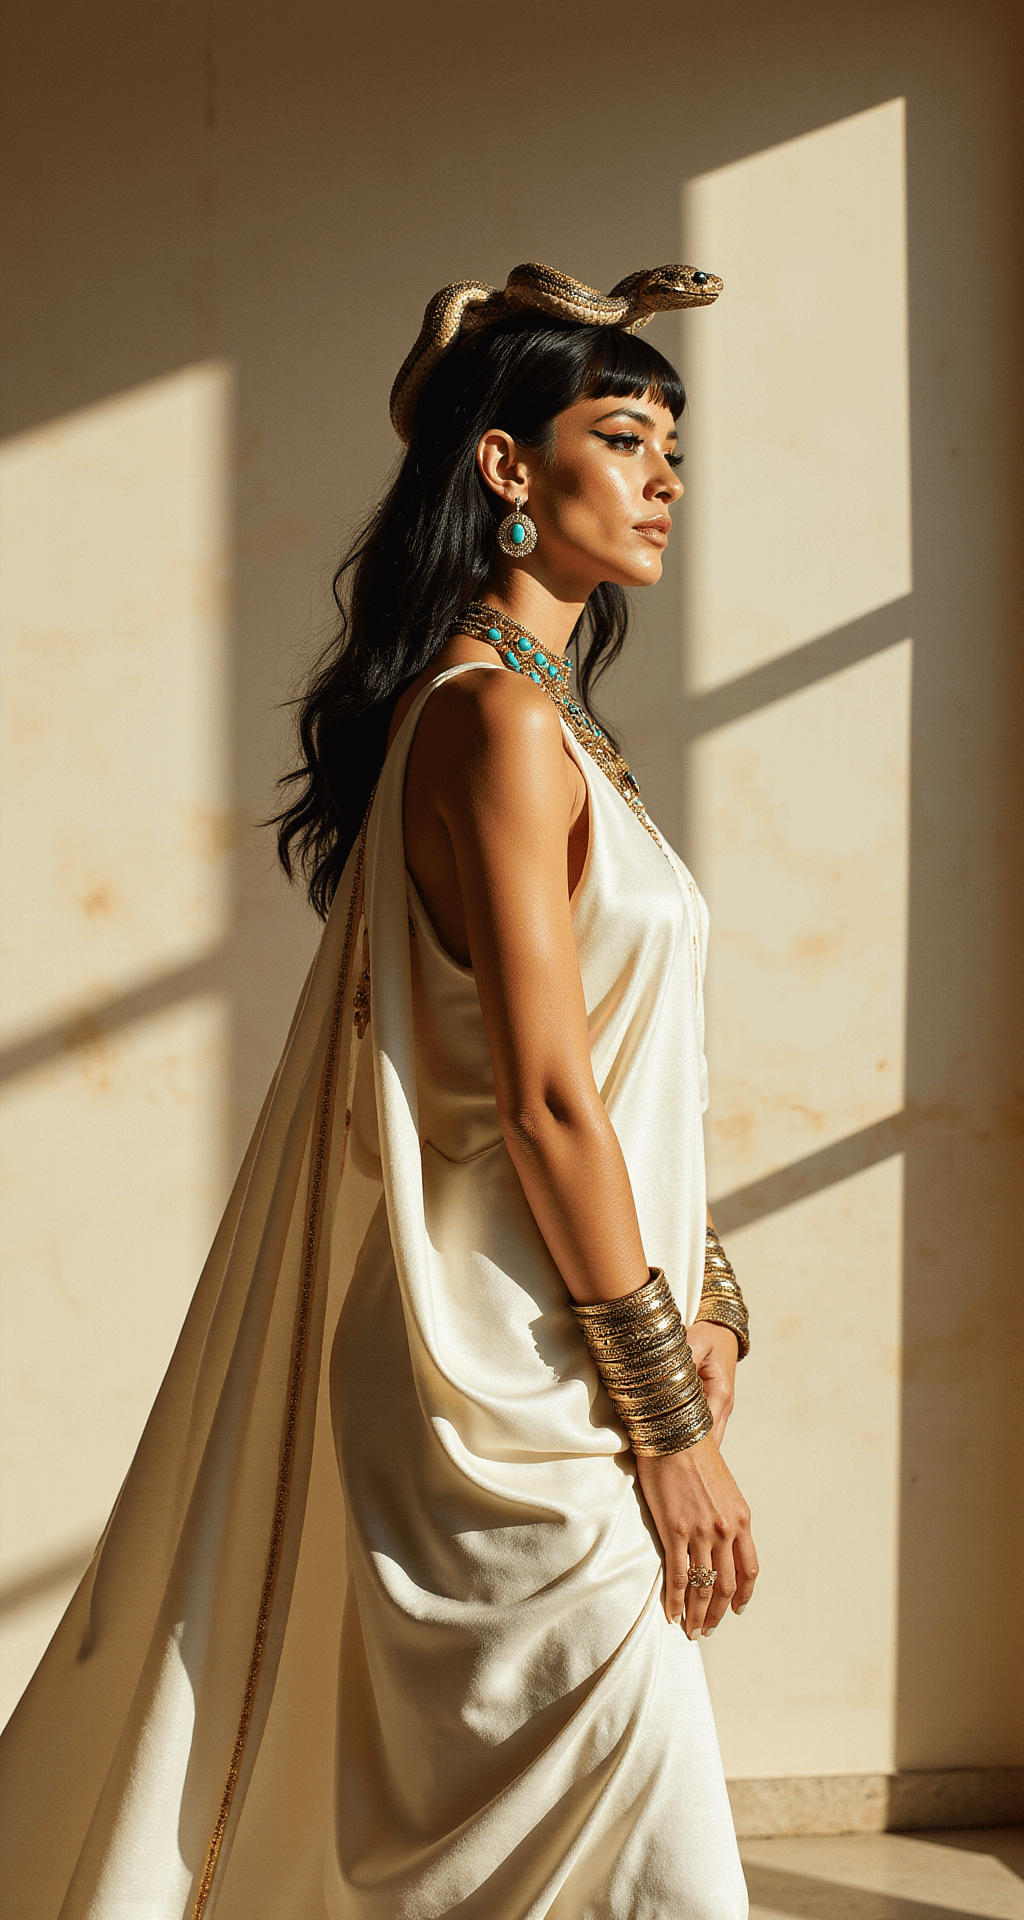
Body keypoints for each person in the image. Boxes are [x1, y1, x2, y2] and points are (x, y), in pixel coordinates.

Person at [0, 263, 758, 1920]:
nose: (663, 477)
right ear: (506, 469)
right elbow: (548, 1105)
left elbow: (630, 1080)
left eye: (672, 446)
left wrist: (706, 1283)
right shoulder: (490, 727)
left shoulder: (565, 733)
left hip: (566, 1336)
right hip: (498, 1386)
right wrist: (667, 1419)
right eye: (620, 436)